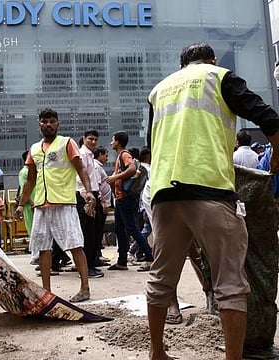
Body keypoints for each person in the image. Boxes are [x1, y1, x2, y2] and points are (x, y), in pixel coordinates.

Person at [146, 42, 279, 360]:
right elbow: (269, 118)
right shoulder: (218, 77)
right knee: (230, 281)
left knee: (161, 277)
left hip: (164, 193)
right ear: (211, 60)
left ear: (181, 65)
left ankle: (157, 351)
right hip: (210, 189)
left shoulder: (159, 90)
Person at [14, 108, 94, 303]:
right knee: (43, 248)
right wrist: (21, 203)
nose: (48, 125)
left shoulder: (67, 143)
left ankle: (85, 288)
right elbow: (30, 180)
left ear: (57, 123)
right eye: (44, 121)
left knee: (75, 245)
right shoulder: (34, 149)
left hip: (64, 202)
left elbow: (80, 168)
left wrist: (89, 191)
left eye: (51, 121)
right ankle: (46, 292)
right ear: (39, 124)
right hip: (41, 204)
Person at [105, 131, 153, 272]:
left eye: (113, 140)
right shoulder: (120, 156)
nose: (111, 142)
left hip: (125, 198)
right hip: (120, 198)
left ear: (118, 142)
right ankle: (122, 261)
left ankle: (150, 258)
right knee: (119, 229)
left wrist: (115, 177)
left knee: (131, 228)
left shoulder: (125, 154)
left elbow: (132, 169)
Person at [75, 129, 104, 278]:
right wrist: (87, 194)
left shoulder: (90, 155)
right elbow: (80, 176)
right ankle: (87, 268)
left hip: (92, 194)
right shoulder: (83, 154)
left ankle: (91, 265)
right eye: (90, 139)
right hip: (86, 195)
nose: (93, 142)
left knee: (94, 233)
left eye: (95, 139)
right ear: (84, 138)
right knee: (88, 233)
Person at [93, 146, 112, 267]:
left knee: (99, 231)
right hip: (100, 204)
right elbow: (97, 186)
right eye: (105, 155)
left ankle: (97, 256)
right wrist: (103, 201)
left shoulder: (99, 167)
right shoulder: (95, 167)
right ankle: (95, 258)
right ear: (99, 155)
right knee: (97, 231)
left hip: (103, 203)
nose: (107, 158)